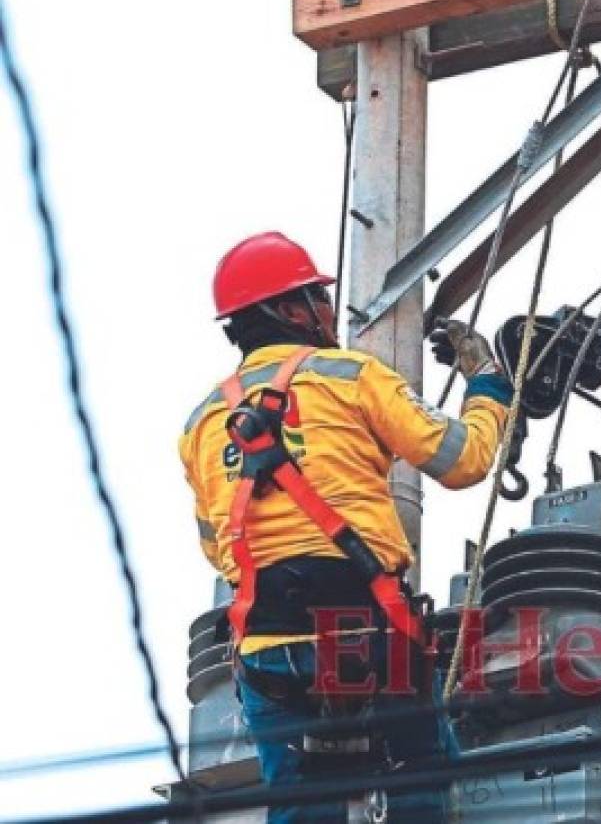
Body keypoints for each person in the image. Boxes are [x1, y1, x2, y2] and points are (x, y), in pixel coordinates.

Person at [179, 231, 510, 822]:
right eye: (318, 298)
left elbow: (216, 547)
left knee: (299, 807)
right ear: (289, 310)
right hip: (369, 631)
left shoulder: (201, 424)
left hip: (269, 649)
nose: (330, 312)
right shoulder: (350, 375)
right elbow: (464, 460)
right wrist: (486, 383)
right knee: (425, 787)